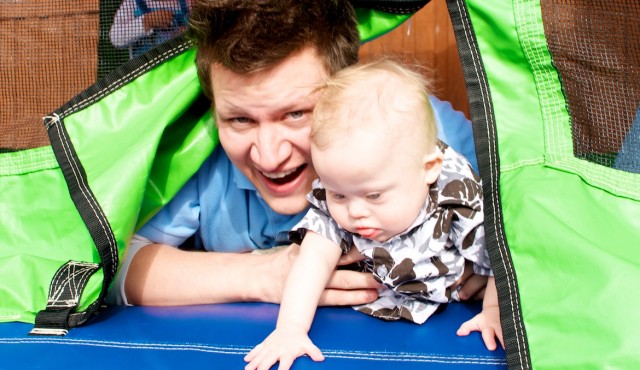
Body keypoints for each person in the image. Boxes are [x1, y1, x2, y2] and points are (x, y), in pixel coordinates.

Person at [107, 0, 488, 311]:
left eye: (296, 114)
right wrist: (261, 274)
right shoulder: (197, 159)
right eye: (240, 119)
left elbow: (522, 196)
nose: (270, 157)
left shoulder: (408, 129)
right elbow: (109, 269)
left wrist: (499, 256)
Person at [244, 59, 503, 370]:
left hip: (450, 289)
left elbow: (500, 253)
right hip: (384, 290)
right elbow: (311, 263)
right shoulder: (339, 194)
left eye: (374, 196)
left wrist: (493, 310)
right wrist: (289, 330)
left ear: (428, 170)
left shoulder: (455, 194)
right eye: (338, 194)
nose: (354, 211)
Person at [110, 0, 191, 59]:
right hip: (145, 76)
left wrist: (189, 33)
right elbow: (116, 39)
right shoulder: (131, 3)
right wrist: (146, 22)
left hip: (180, 74)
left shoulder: (189, 3)